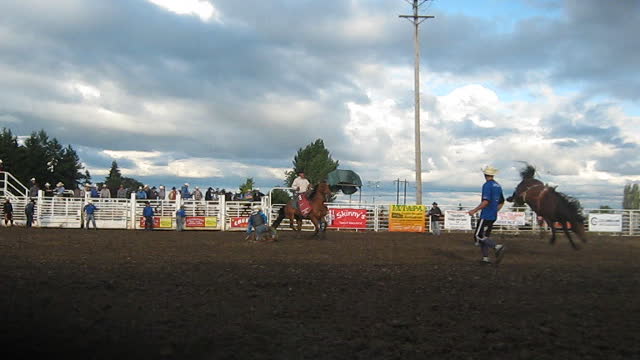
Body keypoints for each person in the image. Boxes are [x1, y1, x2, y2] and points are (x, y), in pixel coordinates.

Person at [468, 166, 506, 264]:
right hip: (492, 215)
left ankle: (497, 247)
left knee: (478, 235)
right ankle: (485, 258)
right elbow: (501, 202)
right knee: (485, 237)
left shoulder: (487, 185)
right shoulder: (498, 185)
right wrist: (495, 210)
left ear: (485, 175)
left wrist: (474, 210)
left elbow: (486, 201)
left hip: (486, 215)